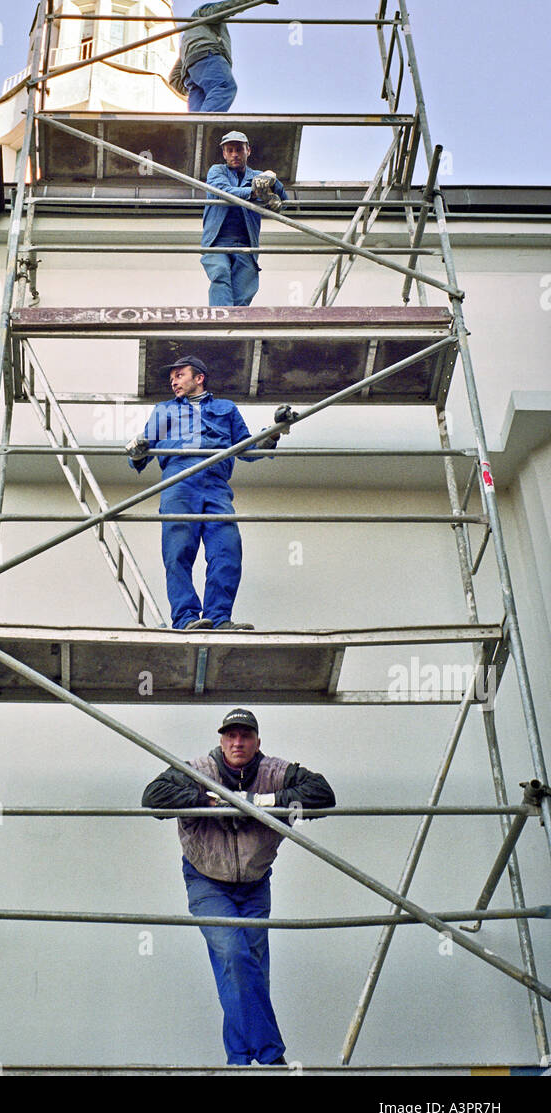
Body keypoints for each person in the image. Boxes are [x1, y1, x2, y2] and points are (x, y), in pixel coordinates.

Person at [142, 709, 336, 1067]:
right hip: (206, 881)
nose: (237, 742)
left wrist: (260, 803)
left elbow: (323, 795)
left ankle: (238, 1060)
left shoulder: (276, 773)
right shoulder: (199, 769)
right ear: (221, 740)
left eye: (245, 736)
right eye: (230, 736)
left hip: (255, 885)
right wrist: (206, 800)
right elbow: (153, 798)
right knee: (233, 954)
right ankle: (272, 1056)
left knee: (251, 969)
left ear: (257, 742)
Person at [127, 356, 291, 630]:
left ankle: (218, 618)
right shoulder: (163, 410)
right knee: (178, 552)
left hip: (216, 486)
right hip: (179, 482)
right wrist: (136, 451)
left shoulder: (226, 409)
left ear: (199, 378)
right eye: (172, 377)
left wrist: (275, 432)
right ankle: (185, 619)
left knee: (227, 550)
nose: (173, 381)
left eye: (180, 375)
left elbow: (247, 449)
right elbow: (141, 455)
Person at [201, 130, 288, 307]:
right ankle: (221, 323)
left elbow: (283, 201)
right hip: (217, 242)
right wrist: (255, 193)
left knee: (243, 292)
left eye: (239, 150)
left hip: (245, 244)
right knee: (220, 274)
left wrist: (272, 179)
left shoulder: (257, 176)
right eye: (230, 150)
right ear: (224, 154)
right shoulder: (217, 171)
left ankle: (235, 332)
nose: (235, 154)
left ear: (248, 151)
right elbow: (224, 192)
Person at [169, 0, 280, 112]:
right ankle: (203, 125)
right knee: (224, 86)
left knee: (200, 110)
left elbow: (174, 77)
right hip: (208, 55)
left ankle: (198, 128)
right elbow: (223, 8)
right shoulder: (202, 12)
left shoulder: (188, 42)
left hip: (191, 73)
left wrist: (192, 85)